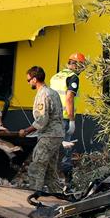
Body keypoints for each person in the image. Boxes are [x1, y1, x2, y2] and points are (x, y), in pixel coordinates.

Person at [20, 66, 65, 194]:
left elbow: (42, 120)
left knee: (36, 166)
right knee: (50, 170)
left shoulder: (43, 94)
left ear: (34, 79)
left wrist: (26, 131)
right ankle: (58, 195)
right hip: (57, 134)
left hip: (49, 135)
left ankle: (34, 196)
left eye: (28, 80)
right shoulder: (53, 92)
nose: (28, 83)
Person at [49, 52, 85, 189]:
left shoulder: (56, 76)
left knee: (52, 149)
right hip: (64, 118)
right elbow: (69, 98)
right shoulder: (73, 77)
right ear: (76, 65)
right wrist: (72, 120)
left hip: (52, 118)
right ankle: (67, 183)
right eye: (82, 67)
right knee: (66, 152)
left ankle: (50, 181)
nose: (82, 70)